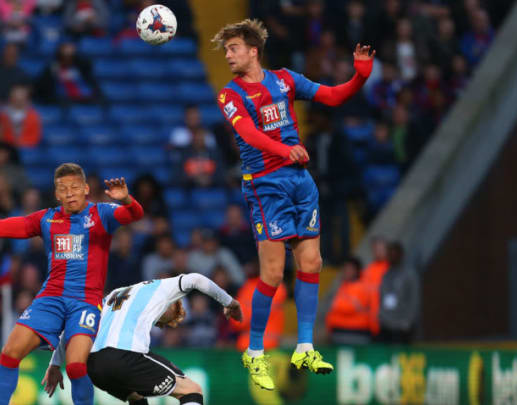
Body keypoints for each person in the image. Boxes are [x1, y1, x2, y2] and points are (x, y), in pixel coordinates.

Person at [212, 19, 374, 389]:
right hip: (265, 185)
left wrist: (360, 77)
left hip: (301, 180)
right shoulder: (230, 95)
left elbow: (332, 96)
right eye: (225, 51)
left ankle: (304, 346)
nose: (229, 56)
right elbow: (249, 134)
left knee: (313, 261)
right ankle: (255, 353)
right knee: (271, 273)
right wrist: (285, 150)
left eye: (233, 48)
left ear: (253, 50)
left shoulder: (284, 79)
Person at [0, 162, 144, 405]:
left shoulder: (102, 214)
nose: (69, 193)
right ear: (56, 194)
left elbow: (135, 215)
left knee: (76, 366)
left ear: (86, 189)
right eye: (63, 188)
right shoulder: (46, 220)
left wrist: (126, 200)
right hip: (50, 299)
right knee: (9, 353)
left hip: (85, 302)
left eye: (74, 187)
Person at [43, 273, 242, 405]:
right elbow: (196, 279)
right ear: (173, 302)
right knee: (192, 390)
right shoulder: (164, 287)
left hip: (95, 367)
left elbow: (77, 325)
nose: (166, 320)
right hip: (125, 356)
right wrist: (229, 302)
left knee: (136, 397)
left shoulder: (112, 295)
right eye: (174, 311)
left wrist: (54, 364)